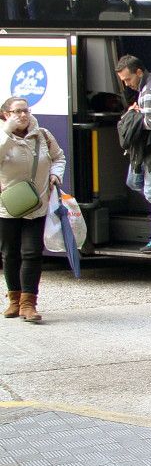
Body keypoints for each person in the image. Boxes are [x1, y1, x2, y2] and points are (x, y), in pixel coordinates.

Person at [0, 96, 67, 323]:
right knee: (10, 254)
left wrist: (56, 174)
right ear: (5, 114)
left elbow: (59, 157)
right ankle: (14, 300)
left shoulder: (43, 135)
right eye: (17, 111)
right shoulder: (2, 137)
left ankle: (29, 303)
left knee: (31, 253)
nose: (23, 115)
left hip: (37, 203)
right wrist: (7, 133)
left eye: (25, 110)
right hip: (8, 206)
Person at [114, 55, 151, 253]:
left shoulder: (150, 90)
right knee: (135, 182)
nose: (127, 85)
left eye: (128, 80)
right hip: (145, 148)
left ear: (139, 72)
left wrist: (133, 114)